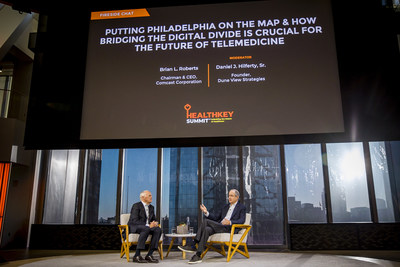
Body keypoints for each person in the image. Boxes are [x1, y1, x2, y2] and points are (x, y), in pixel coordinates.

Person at [178, 189, 246, 264]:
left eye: (231, 196)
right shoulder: (225, 207)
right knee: (207, 229)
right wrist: (206, 212)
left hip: (229, 228)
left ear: (237, 197)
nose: (229, 197)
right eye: (229, 195)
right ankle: (198, 255)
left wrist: (230, 222)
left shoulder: (241, 207)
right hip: (220, 226)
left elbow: (242, 220)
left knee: (206, 221)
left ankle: (193, 244)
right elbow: (216, 217)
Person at [128, 190, 162, 263]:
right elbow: (134, 220)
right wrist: (148, 225)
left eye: (151, 195)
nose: (151, 197)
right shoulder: (136, 206)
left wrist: (155, 223)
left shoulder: (151, 207)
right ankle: (137, 255)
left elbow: (153, 219)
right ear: (143, 197)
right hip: (135, 227)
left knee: (158, 230)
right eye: (149, 195)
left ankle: (149, 255)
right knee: (146, 228)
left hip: (146, 227)